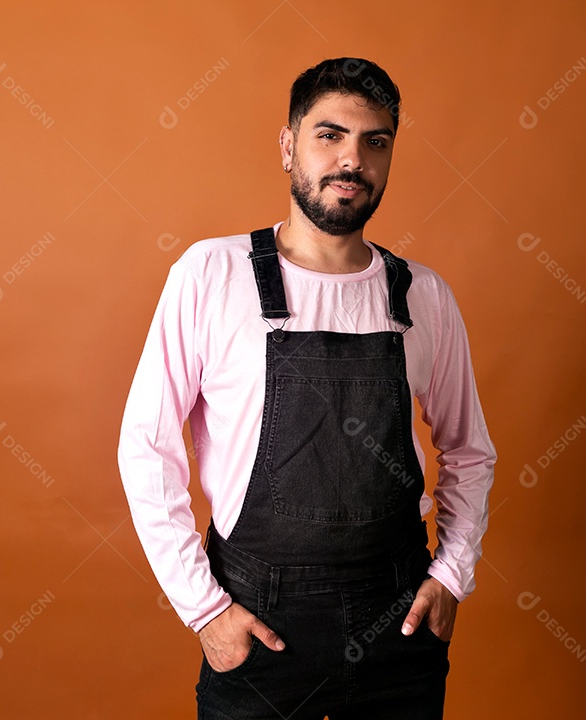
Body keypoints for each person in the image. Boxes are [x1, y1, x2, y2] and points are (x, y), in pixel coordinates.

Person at [117, 56, 496, 719]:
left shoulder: (424, 296)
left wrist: (450, 576)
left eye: (375, 141)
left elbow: (469, 452)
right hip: (261, 625)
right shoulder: (212, 273)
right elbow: (146, 447)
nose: (353, 160)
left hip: (399, 625)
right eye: (330, 135)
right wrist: (205, 611)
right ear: (288, 145)